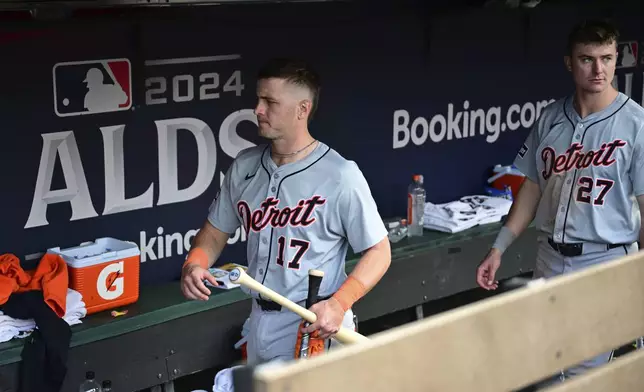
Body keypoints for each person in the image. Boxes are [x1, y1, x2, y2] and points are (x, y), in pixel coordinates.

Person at [179, 57, 391, 365]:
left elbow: (380, 251)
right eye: (258, 99)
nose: (258, 109)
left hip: (313, 321)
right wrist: (194, 264)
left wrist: (339, 304)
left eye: (270, 101)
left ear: (302, 109)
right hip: (258, 319)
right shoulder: (245, 166)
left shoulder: (340, 174)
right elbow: (213, 234)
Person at [476, 19, 644, 387]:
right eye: (587, 59)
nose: (598, 69)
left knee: (588, 373)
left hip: (605, 258)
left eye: (607, 58)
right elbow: (532, 188)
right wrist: (498, 247)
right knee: (546, 367)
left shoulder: (636, 125)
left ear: (617, 59)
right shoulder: (551, 117)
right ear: (569, 62)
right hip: (549, 257)